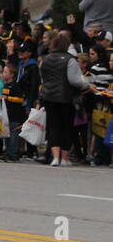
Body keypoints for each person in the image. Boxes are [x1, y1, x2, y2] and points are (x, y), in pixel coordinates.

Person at [39, 30, 89, 167]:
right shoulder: (70, 59)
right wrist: (87, 84)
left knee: (54, 126)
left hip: (49, 97)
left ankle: (55, 158)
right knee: (66, 127)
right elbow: (75, 80)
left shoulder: (46, 59)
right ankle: (65, 158)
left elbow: (43, 78)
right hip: (66, 97)